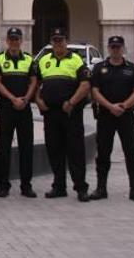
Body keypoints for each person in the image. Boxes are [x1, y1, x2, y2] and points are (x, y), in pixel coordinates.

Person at [35, 27, 92, 202]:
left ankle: (81, 187)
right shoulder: (44, 60)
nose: (58, 43)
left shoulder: (76, 60)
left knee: (75, 151)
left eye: (61, 40)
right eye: (55, 40)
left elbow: (85, 85)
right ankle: (59, 186)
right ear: (52, 42)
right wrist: (38, 100)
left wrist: (72, 102)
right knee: (54, 150)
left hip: (70, 113)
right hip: (50, 113)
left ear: (66, 41)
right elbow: (35, 83)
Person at [89, 36, 134, 203]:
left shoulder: (132, 69)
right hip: (106, 116)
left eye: (118, 47)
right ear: (108, 48)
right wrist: (110, 106)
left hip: (126, 116)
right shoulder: (100, 68)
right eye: (113, 47)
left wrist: (124, 106)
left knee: (131, 153)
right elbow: (94, 91)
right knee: (103, 153)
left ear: (123, 48)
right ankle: (101, 188)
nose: (115, 49)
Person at [0, 27, 38, 198]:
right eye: (11, 39)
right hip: (6, 108)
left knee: (26, 148)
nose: (14, 42)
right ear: (7, 41)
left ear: (21, 41)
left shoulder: (29, 60)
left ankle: (26, 186)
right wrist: (13, 99)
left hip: (24, 108)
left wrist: (25, 99)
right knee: (4, 148)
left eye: (17, 39)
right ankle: (4, 186)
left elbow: (34, 82)